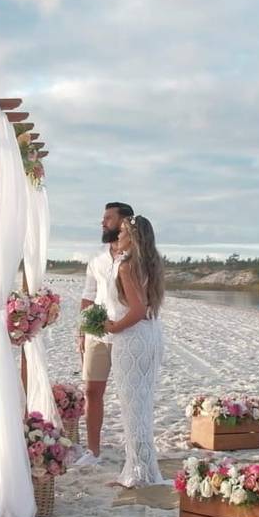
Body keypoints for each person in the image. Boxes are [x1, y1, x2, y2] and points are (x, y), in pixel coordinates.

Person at [103, 214, 165, 487]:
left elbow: (137, 310)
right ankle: (142, 467)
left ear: (133, 237)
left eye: (123, 232)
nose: (118, 235)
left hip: (132, 339)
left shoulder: (127, 266)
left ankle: (138, 473)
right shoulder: (149, 263)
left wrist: (114, 326)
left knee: (132, 405)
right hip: (151, 336)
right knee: (142, 403)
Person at [74, 201, 133, 466]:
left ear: (124, 222)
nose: (103, 222)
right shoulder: (97, 257)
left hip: (128, 332)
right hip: (97, 334)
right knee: (91, 390)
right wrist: (81, 332)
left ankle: (134, 447)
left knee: (129, 394)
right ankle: (93, 451)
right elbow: (88, 296)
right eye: (103, 218)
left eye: (108, 218)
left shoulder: (136, 256)